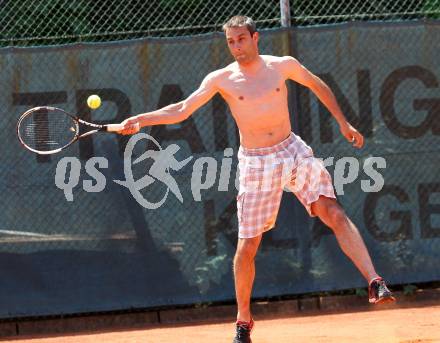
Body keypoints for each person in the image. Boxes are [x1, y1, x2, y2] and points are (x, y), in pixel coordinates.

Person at [117, 15, 395, 343]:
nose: (236, 47)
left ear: (255, 37)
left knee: (331, 211)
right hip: (256, 163)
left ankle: (375, 281)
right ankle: (243, 321)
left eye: (241, 39)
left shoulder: (282, 65)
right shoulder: (222, 79)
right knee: (248, 245)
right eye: (231, 42)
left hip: (292, 150)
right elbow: (182, 109)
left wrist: (344, 123)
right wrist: (141, 119)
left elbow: (318, 85)